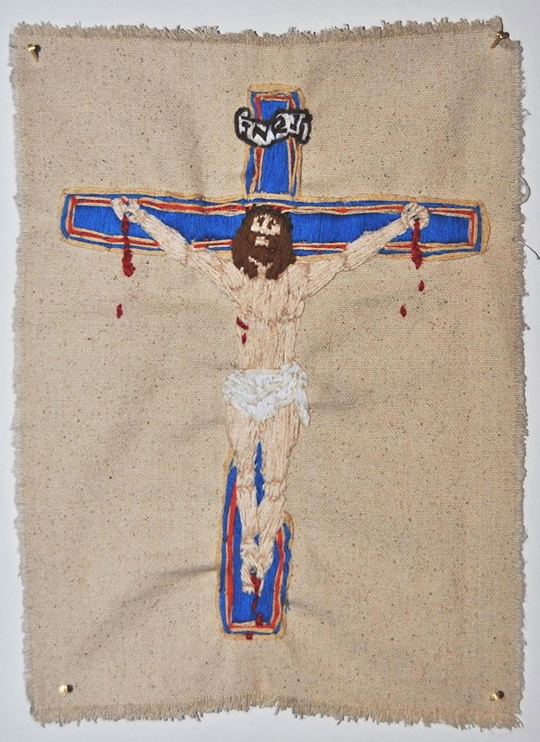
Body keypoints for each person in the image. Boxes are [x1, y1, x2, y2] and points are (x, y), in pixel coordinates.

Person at [112, 198, 429, 592]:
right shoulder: (234, 278)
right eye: (257, 231)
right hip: (243, 389)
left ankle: (263, 553)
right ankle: (249, 550)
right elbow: (186, 254)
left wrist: (400, 225)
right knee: (245, 475)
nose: (263, 237)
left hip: (281, 388)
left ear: (283, 241)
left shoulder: (298, 279)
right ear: (245, 237)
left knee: (276, 479)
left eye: (271, 232)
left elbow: (348, 259)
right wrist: (141, 218)